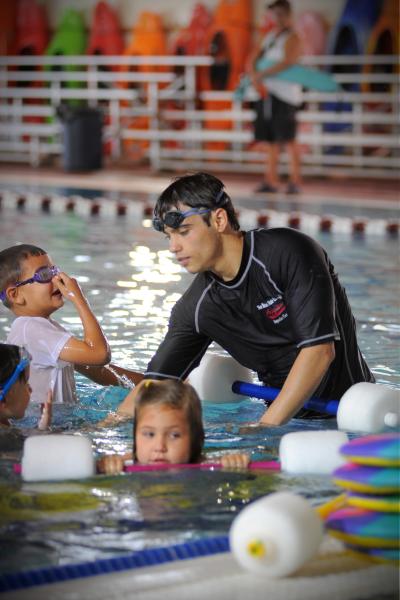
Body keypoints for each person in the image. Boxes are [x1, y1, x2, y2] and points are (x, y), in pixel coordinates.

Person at [115, 172, 374, 427]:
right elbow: (155, 385)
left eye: (183, 231)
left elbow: (320, 351)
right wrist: (103, 430)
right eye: (169, 236)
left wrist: (263, 431)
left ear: (218, 220)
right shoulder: (196, 308)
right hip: (285, 423)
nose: (173, 247)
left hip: (356, 417)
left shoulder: (288, 252)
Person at [0, 244, 143, 409]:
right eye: (44, 275)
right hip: (45, 430)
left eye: (55, 271)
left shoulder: (42, 329)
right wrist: (79, 299)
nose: (57, 279)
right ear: (15, 295)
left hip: (56, 425)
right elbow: (100, 354)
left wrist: (155, 382)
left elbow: (101, 371)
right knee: (130, 411)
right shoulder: (31, 328)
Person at [98, 379, 250, 474]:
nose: (159, 447)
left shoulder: (207, 466)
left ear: (195, 439)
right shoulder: (123, 463)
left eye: (174, 435)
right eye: (149, 434)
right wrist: (103, 466)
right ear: (135, 435)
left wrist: (235, 464)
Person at [249, 0, 303, 194]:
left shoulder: (293, 37)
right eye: (275, 14)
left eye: (281, 14)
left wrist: (262, 74)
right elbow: (255, 58)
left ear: (288, 15)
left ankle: (295, 181)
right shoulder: (270, 37)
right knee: (269, 139)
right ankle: (270, 180)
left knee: (288, 139)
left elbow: (288, 61)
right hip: (267, 93)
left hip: (286, 95)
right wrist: (253, 75)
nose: (277, 18)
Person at [0, 343, 51, 429]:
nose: (30, 389)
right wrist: (44, 431)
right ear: (3, 399)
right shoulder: (4, 437)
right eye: (26, 383)